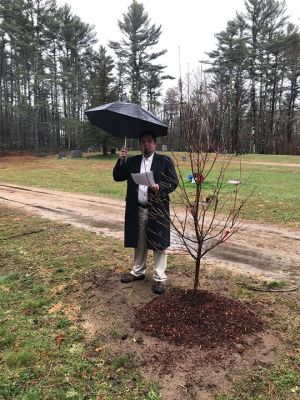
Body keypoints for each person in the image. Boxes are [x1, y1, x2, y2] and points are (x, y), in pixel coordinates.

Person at [113, 131, 178, 294]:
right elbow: (118, 177)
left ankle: (160, 278)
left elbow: (173, 182)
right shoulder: (133, 161)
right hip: (138, 208)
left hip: (157, 209)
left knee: (159, 243)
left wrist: (159, 187)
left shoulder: (164, 161)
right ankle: (138, 272)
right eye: (143, 142)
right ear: (140, 145)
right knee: (139, 241)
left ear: (155, 144)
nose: (146, 144)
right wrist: (121, 159)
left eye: (149, 141)